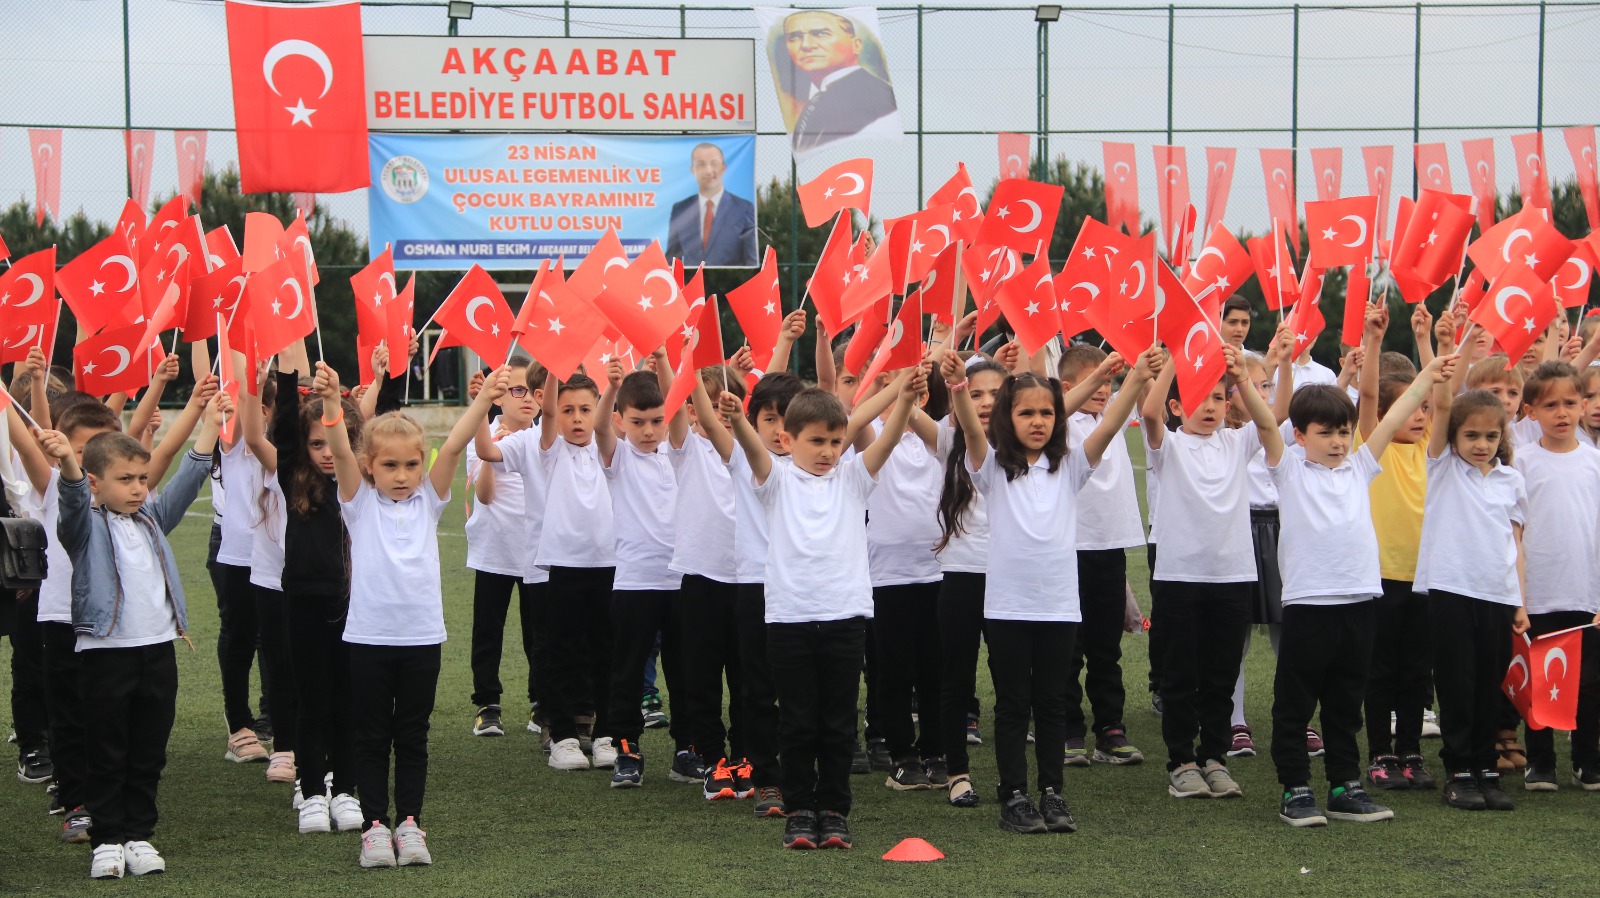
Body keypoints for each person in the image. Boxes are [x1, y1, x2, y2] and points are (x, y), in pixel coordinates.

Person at [946, 344, 1160, 834]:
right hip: (1007, 608)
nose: (1038, 421)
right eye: (1026, 412)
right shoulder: (992, 469)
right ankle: (1014, 797)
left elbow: (1108, 425)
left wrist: (1133, 377)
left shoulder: (1071, 466)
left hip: (1060, 608)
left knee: (1052, 705)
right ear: (1008, 417)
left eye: (1046, 412)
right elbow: (972, 429)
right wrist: (959, 386)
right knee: (1013, 705)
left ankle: (1052, 793)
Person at [724, 365, 926, 851]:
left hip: (845, 620)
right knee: (796, 722)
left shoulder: (854, 479)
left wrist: (904, 400)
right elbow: (752, 448)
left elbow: (889, 439)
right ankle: (799, 810)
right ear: (788, 439)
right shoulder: (775, 481)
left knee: (838, 722)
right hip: (789, 622)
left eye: (835, 443)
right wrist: (734, 419)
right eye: (816, 442)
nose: (828, 452)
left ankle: (833, 809)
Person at [316, 359, 499, 867]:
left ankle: (411, 823)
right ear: (369, 465)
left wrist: (485, 399)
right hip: (369, 640)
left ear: (423, 464)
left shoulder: (431, 500)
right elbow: (336, 446)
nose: (402, 476)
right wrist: (333, 401)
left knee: (413, 737)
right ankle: (375, 827)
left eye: (411, 465)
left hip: (421, 638)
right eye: (390, 466)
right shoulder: (357, 501)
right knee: (371, 736)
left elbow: (459, 442)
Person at [39, 385, 221, 879]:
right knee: (107, 750)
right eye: (126, 480)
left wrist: (210, 424)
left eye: (142, 478)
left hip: (158, 653)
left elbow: (185, 479)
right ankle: (107, 840)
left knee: (147, 750)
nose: (139, 488)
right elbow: (74, 499)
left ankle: (139, 835)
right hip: (106, 655)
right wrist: (68, 465)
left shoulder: (151, 521)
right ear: (98, 483)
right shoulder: (83, 526)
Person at [1270, 357, 1454, 828]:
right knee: (1295, 704)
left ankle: (1343, 786)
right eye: (1324, 433)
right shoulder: (1289, 471)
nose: (1337, 442)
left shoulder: (1360, 467)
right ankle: (1295, 787)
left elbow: (1393, 415)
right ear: (1299, 435)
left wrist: (1429, 374)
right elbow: (1262, 421)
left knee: (1345, 703)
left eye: (1343, 432)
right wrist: (1238, 382)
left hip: (1359, 604)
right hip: (1310, 607)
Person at [1140, 343, 1276, 801]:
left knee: (1221, 674)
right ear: (1180, 406)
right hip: (1179, 578)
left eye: (1219, 398)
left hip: (1232, 577)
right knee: (1181, 674)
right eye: (1201, 399)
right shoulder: (1169, 446)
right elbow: (1150, 411)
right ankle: (1182, 761)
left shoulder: (1238, 443)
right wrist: (1179, 354)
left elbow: (1267, 420)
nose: (1212, 408)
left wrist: (1239, 378)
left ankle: (1214, 757)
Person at [1416, 381, 1529, 812]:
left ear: (1503, 437)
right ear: (1453, 436)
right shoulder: (1442, 467)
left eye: (1491, 436)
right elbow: (1442, 403)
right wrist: (1450, 348)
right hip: (1451, 592)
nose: (1482, 445)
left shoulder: (1511, 480)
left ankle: (1486, 767)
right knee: (1457, 682)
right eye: (1471, 435)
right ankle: (1459, 769)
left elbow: (1515, 544)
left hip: (1498, 597)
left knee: (1489, 684)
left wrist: (1519, 601)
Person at [1360, 304, 1442, 792]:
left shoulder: (1433, 445)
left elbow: (1438, 393)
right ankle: (1379, 754)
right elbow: (1369, 394)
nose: (1418, 416)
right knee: (1380, 671)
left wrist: (1428, 344)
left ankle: (1411, 751)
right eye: (1407, 410)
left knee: (1415, 672)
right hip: (1380, 576)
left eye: (1423, 409)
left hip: (1425, 578)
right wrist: (1374, 342)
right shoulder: (1374, 446)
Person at [600, 362, 690, 790]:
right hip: (635, 582)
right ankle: (627, 749)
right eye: (637, 422)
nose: (649, 430)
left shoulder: (679, 453)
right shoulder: (618, 457)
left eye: (657, 420)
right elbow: (600, 429)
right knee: (628, 671)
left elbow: (679, 412)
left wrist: (666, 360)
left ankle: (686, 748)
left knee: (686, 670)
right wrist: (611, 389)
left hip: (682, 581)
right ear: (621, 421)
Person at [1510, 361, 1600, 790]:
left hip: (1587, 594)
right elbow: (1514, 533)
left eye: (1570, 403)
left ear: (1583, 406)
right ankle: (1540, 762)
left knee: (1590, 684)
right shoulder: (1522, 463)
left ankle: (1588, 761)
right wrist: (1519, 597)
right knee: (1540, 682)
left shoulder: (1594, 462)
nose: (1562, 412)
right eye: (1551, 405)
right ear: (1531, 412)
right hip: (1540, 594)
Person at [1058, 344, 1147, 768]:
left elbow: (1130, 395)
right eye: (1095, 380)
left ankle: (1110, 727)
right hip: (1067, 547)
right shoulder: (1057, 420)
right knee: (1068, 647)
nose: (1103, 388)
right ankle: (1068, 726)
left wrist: (1139, 369)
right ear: (1068, 385)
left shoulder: (1112, 413)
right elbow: (1056, 405)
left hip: (1109, 547)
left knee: (1105, 646)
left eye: (1109, 381)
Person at [934, 354, 1008, 808]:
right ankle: (957, 772)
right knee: (956, 679)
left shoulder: (1025, 447)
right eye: (975, 393)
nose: (985, 402)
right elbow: (957, 416)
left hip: (1010, 578)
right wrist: (952, 381)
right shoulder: (948, 440)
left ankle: (1011, 774)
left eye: (996, 394)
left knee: (1012, 681)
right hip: (961, 575)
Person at [463, 358, 542, 738]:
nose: (526, 399)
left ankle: (540, 702)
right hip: (495, 550)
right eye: (517, 390)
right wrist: (490, 448)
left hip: (538, 554)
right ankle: (487, 704)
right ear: (499, 397)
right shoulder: (484, 435)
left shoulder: (546, 438)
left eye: (532, 391)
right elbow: (486, 495)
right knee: (488, 631)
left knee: (538, 633)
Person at [778, 10, 899, 153]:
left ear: (857, 45)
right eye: (794, 37)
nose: (806, 45)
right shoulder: (813, 100)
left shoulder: (878, 99)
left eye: (821, 34)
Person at [665, 143, 757, 268]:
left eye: (714, 163)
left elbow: (750, 260)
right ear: (693, 170)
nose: (709, 171)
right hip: (691, 284)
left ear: (723, 168)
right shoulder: (680, 210)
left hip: (730, 285)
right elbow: (671, 259)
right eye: (701, 164)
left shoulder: (744, 209)